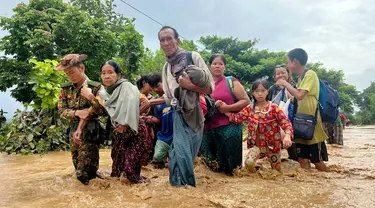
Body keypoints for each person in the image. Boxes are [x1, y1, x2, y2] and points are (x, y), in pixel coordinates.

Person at [151, 26, 214, 187]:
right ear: (160, 44)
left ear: (177, 40)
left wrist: (190, 86)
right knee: (178, 153)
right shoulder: (166, 68)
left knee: (186, 154)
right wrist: (149, 103)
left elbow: (210, 88)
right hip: (177, 113)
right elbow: (169, 97)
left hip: (195, 112)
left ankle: (186, 190)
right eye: (162, 40)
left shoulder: (192, 57)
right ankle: (183, 191)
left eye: (169, 38)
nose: (166, 43)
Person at [82, 60, 150, 184]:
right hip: (118, 131)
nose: (106, 76)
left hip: (134, 129)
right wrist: (90, 98)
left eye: (110, 72)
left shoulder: (127, 87)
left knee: (128, 172)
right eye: (103, 73)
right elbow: (96, 111)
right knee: (117, 169)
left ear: (118, 75)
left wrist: (127, 121)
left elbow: (146, 103)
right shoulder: (103, 94)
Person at [218, 79, 293, 171]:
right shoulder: (250, 109)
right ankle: (257, 173)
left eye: (263, 91)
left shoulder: (274, 108)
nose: (260, 94)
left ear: (267, 92)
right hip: (257, 146)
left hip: (273, 146)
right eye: (257, 91)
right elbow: (237, 118)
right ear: (253, 93)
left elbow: (285, 123)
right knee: (249, 163)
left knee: (276, 171)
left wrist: (287, 136)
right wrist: (224, 109)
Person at [56, 54, 107, 185]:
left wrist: (91, 98)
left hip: (90, 135)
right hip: (73, 135)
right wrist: (77, 112)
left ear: (82, 68)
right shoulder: (65, 89)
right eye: (67, 73)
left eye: (72, 72)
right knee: (81, 170)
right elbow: (61, 111)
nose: (70, 76)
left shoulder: (96, 88)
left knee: (82, 175)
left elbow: (104, 112)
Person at [276, 48, 329, 171]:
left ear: (295, 61)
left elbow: (300, 95)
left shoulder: (310, 74)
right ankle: (308, 187)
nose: (288, 65)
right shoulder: (301, 78)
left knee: (317, 160)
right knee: (302, 159)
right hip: (300, 124)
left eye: (288, 62)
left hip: (312, 124)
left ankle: (326, 182)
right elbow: (296, 99)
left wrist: (286, 84)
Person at [201, 54, 250, 175]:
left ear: (224, 67)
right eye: (215, 63)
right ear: (209, 66)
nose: (217, 66)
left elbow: (246, 101)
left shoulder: (231, 81)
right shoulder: (203, 85)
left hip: (229, 126)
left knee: (231, 169)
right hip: (207, 128)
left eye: (221, 64)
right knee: (209, 166)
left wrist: (227, 108)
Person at [267, 64, 298, 161]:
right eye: (278, 74)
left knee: (292, 143)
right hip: (275, 119)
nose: (280, 75)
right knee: (275, 143)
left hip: (291, 119)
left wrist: (286, 88)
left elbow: (297, 102)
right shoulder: (272, 89)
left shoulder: (294, 86)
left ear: (288, 74)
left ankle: (293, 159)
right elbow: (267, 102)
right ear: (274, 76)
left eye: (283, 73)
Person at [146, 73, 174, 169]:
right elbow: (160, 120)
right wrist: (151, 119)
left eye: (158, 86)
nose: (156, 89)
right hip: (164, 135)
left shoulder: (174, 96)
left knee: (175, 161)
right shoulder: (156, 104)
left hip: (177, 134)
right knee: (157, 157)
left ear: (164, 82)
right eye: (153, 88)